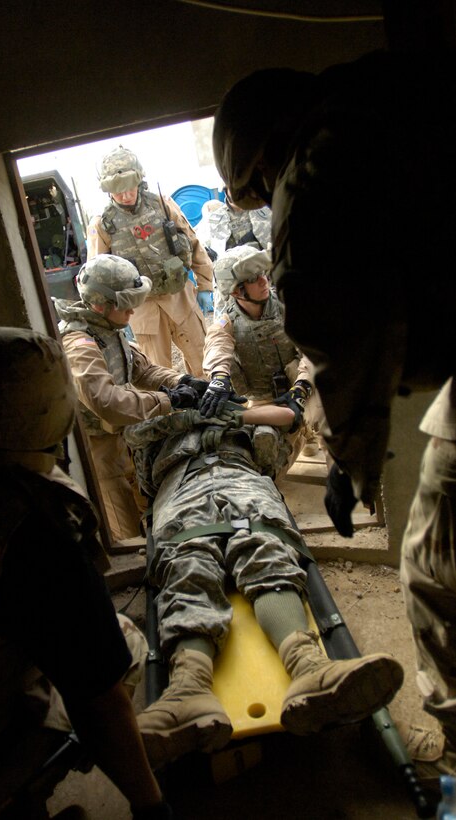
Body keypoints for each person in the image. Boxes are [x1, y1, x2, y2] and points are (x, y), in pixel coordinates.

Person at [211, 48, 456, 783]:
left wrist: (347, 460)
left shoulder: (314, 179)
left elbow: (340, 338)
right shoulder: (394, 90)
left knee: (433, 576)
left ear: (259, 163)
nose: (259, 284)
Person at [0, 327, 172, 819]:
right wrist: (151, 806)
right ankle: (17, 796)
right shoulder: (30, 529)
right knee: (125, 645)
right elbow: (98, 695)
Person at [124, 403, 404, 769]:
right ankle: (188, 689)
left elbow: (284, 428)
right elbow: (135, 435)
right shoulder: (159, 424)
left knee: (265, 548)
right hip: (179, 487)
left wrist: (236, 414)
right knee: (186, 562)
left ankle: (309, 666)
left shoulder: (242, 417)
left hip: (243, 480)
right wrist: (186, 413)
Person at [53, 254, 208, 542]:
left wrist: (184, 382)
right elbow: (108, 403)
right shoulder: (80, 344)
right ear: (101, 304)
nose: (132, 313)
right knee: (129, 538)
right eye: (126, 306)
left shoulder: (108, 330)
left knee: (155, 517)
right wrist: (169, 400)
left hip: (126, 444)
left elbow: (143, 370)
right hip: (99, 454)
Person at [86, 145, 214, 375]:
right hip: (142, 310)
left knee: (206, 362)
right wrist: (109, 316)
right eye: (118, 191)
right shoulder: (102, 224)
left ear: (139, 180)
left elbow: (192, 242)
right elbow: (96, 277)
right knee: (159, 377)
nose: (125, 196)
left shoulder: (162, 204)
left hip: (180, 297)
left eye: (129, 188)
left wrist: (205, 285)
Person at [201, 244, 323, 473]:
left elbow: (314, 350)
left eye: (263, 274)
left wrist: (301, 388)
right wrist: (219, 377)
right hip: (266, 398)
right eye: (253, 278)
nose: (263, 281)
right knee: (264, 450)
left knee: (332, 428)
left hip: (304, 386)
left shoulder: (290, 306)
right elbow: (217, 346)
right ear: (236, 291)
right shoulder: (228, 322)